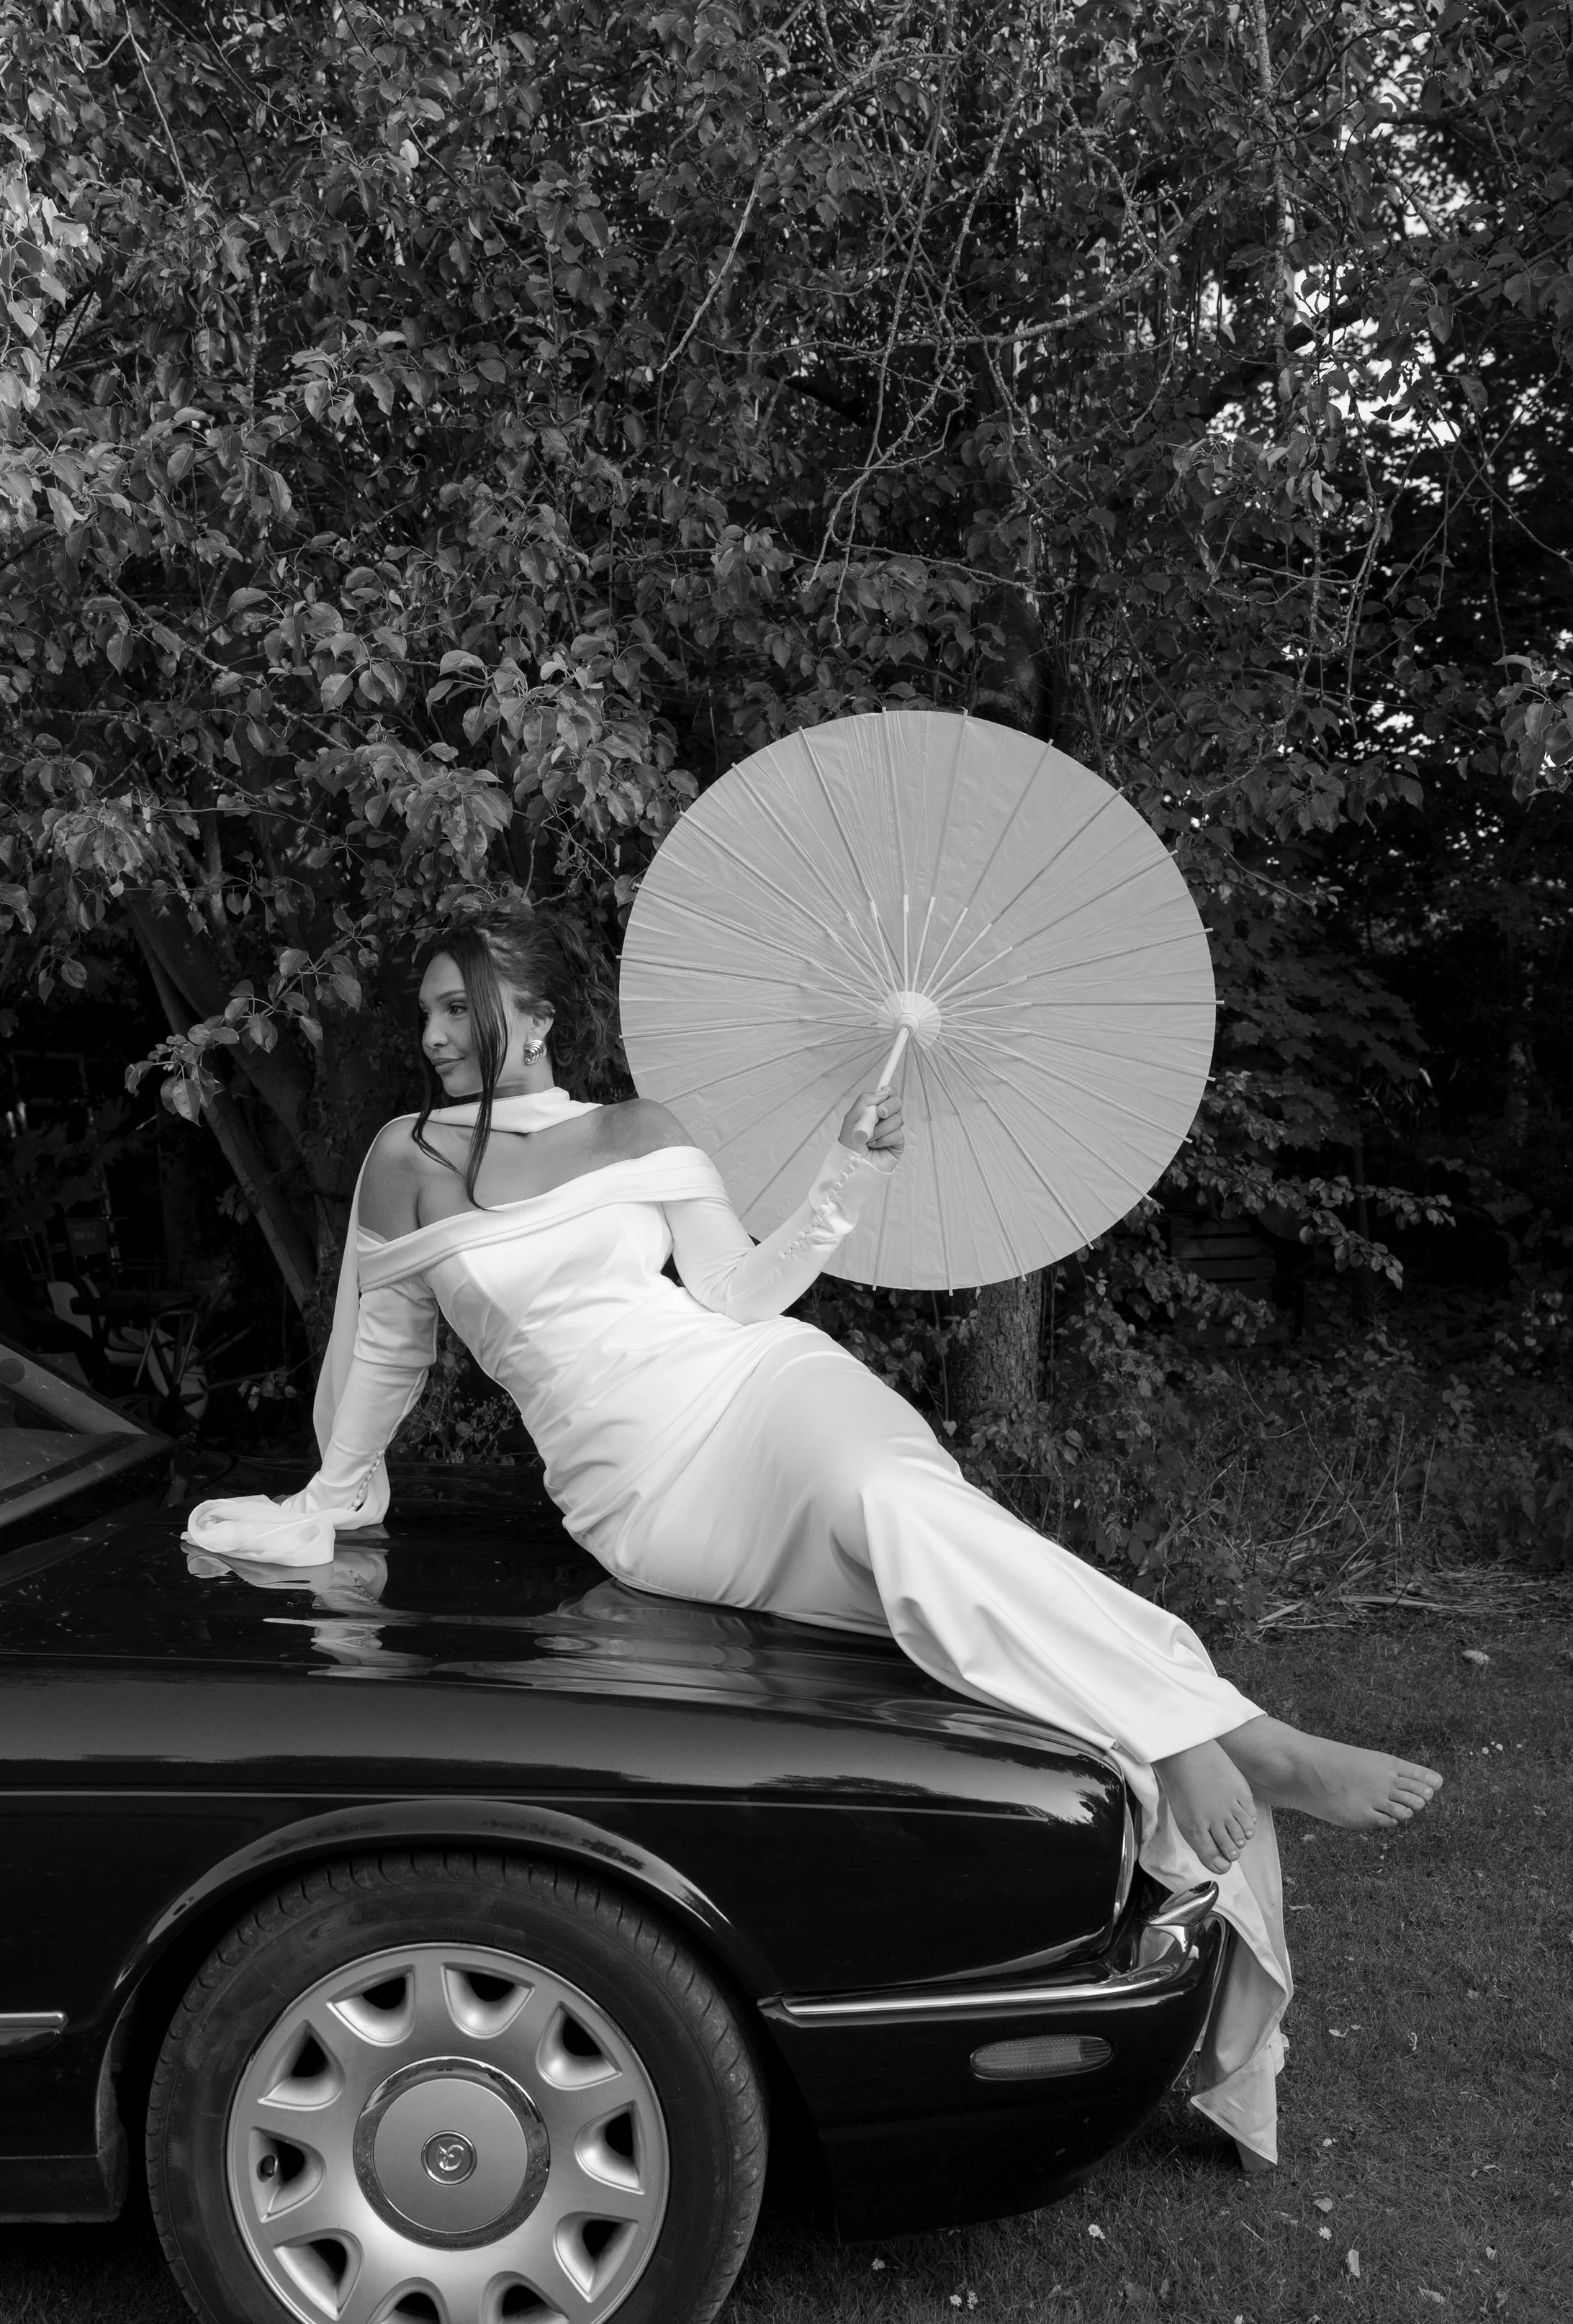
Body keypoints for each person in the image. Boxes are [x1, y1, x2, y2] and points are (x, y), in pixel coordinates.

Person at [188, 905, 1441, 2161]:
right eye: (428, 1011)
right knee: (925, 1571)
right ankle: (1202, 1727)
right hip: (647, 1487)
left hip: (762, 1384)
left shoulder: (645, 1132)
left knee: (908, 1513)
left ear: (540, 1015)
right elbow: (383, 1347)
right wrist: (334, 1489)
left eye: (458, 1006)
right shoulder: (407, 1158)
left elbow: (731, 1292)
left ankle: (1207, 1737)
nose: (433, 1033)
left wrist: (849, 1170)